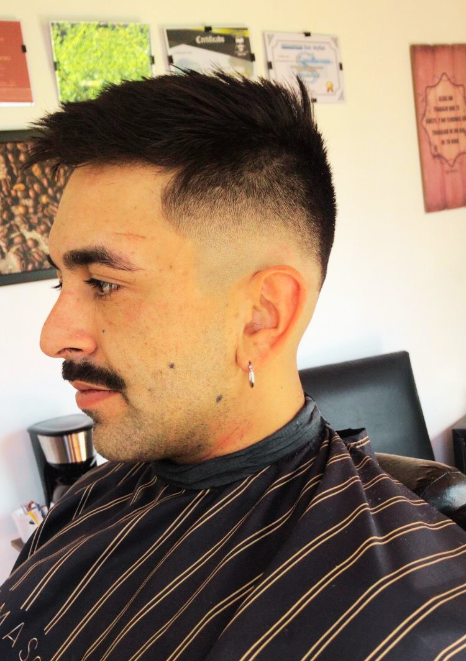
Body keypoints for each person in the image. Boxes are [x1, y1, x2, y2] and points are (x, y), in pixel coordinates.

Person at [1, 70, 465, 661]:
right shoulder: (88, 497)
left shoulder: (406, 621)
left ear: (261, 316)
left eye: (103, 283)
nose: (53, 338)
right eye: (60, 282)